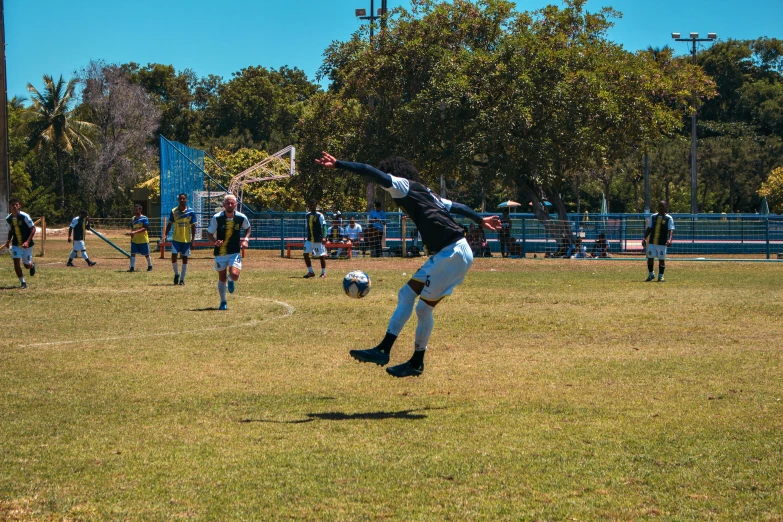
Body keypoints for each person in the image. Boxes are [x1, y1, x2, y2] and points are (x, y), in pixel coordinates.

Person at [316, 151, 502, 377]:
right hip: (448, 252)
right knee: (407, 295)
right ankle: (391, 353)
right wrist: (480, 220)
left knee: (423, 307)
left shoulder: (402, 185)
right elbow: (458, 207)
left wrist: (339, 165)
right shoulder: (425, 192)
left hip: (452, 252)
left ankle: (404, 358)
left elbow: (369, 170)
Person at [206, 194, 251, 310]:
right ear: (224, 205)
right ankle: (223, 302)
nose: (230, 205)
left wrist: (246, 240)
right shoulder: (217, 218)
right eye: (228, 203)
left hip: (234, 251)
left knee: (235, 275)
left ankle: (231, 279)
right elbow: (209, 233)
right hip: (220, 253)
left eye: (232, 203)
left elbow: (248, 228)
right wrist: (215, 242)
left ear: (236, 205)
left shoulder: (241, 217)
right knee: (222, 277)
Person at [164, 193, 197, 285]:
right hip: (176, 239)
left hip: (186, 240)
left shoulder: (191, 212)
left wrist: (193, 240)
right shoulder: (174, 211)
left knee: (185, 259)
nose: (182, 200)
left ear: (186, 200)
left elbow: (193, 227)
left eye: (183, 199)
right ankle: (176, 274)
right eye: (180, 199)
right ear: (178, 200)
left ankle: (182, 279)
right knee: (173, 257)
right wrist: (165, 235)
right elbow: (170, 224)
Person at [4, 198, 36, 288]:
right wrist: (8, 240)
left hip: (27, 245)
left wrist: (27, 241)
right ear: (9, 206)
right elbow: (11, 231)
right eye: (12, 205)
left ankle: (31, 265)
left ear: (19, 206)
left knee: (26, 265)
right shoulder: (8, 219)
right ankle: (23, 283)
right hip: (16, 244)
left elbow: (33, 229)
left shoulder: (24, 216)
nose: (14, 206)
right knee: (16, 262)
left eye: (16, 204)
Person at [644, 200, 674, 282]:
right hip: (652, 242)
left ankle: (661, 276)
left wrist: (670, 239)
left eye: (663, 206)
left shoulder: (669, 218)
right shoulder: (653, 217)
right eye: (660, 206)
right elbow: (649, 228)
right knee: (650, 258)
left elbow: (671, 229)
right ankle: (651, 274)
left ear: (666, 207)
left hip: (662, 243)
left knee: (661, 260)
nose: (661, 208)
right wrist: (644, 238)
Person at [302, 199, 327, 278]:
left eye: (314, 205)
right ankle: (311, 272)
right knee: (305, 254)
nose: (312, 207)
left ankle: (323, 273)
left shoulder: (320, 215)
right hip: (309, 239)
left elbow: (324, 226)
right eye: (311, 205)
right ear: (309, 206)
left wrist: (324, 237)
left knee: (321, 256)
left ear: (316, 206)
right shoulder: (307, 215)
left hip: (318, 239)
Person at [126, 204, 153, 272]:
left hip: (143, 240)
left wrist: (136, 232)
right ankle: (132, 268)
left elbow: (145, 228)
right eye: (134, 210)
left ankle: (150, 266)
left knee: (146, 254)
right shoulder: (133, 219)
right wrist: (131, 238)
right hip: (135, 240)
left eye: (137, 210)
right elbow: (132, 229)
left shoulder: (144, 218)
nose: (135, 211)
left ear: (140, 210)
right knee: (133, 253)